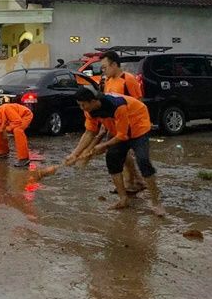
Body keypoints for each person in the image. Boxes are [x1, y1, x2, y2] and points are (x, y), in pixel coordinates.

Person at [66, 88, 165, 216]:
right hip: (118, 128)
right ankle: (123, 199)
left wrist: (104, 145)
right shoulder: (89, 111)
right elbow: (89, 132)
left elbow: (122, 136)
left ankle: (156, 202)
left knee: (143, 160)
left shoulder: (117, 106)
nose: (81, 108)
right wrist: (75, 154)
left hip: (138, 127)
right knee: (112, 158)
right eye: (79, 105)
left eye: (83, 105)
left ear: (92, 101)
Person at [100, 50, 146, 192]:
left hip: (128, 126)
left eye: (105, 67)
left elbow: (138, 102)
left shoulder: (128, 79)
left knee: (123, 154)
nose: (103, 70)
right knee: (120, 155)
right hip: (114, 125)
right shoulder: (108, 81)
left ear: (114, 64)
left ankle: (131, 182)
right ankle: (136, 180)